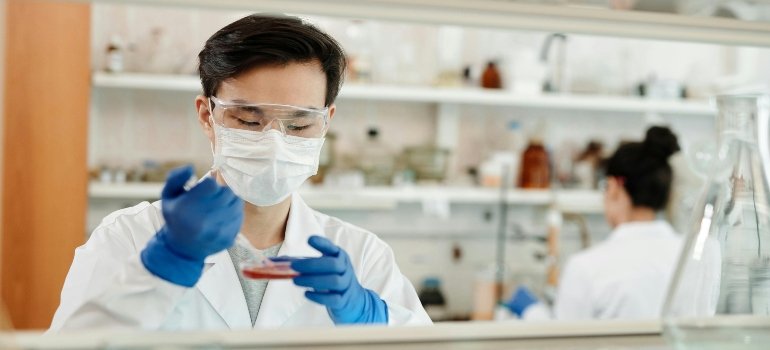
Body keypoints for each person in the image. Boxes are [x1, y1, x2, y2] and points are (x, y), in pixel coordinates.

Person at [50, 14, 431, 331]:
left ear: (327, 122)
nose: (274, 143)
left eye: (298, 125)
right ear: (206, 115)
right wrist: (161, 271)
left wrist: (373, 317)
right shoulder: (129, 237)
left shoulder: (362, 256)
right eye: (249, 120)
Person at [506, 126, 684, 320]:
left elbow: (563, 340)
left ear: (614, 187)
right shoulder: (701, 256)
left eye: (605, 187)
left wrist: (532, 311)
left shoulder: (586, 267)